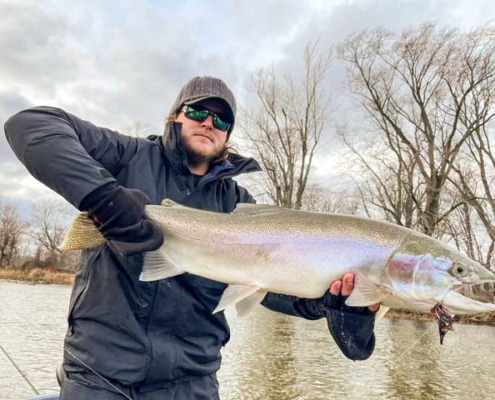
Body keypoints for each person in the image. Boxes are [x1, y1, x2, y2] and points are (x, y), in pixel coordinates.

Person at [4, 76, 378, 400]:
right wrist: (104, 199)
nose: (209, 123)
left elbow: (272, 288)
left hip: (191, 382)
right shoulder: (128, 156)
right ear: (175, 116)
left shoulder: (238, 205)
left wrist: (327, 302)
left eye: (222, 119)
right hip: (98, 374)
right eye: (198, 111)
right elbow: (31, 124)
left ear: (228, 133)